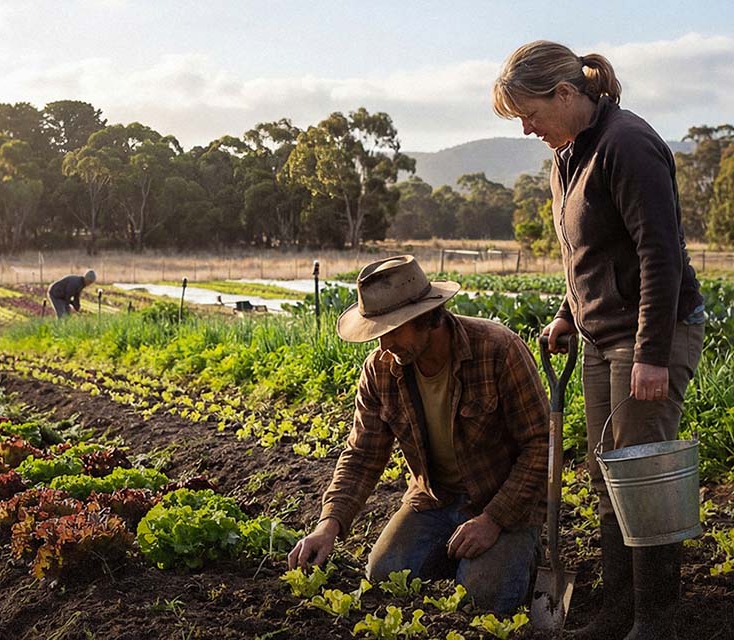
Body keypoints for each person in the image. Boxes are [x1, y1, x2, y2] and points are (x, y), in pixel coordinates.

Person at [493, 41, 705, 640]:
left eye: (530, 113)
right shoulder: (567, 155)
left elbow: (659, 254)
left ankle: (656, 620)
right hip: (599, 334)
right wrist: (567, 311)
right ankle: (616, 613)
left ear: (566, 93)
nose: (527, 128)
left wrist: (651, 355)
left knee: (639, 472)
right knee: (606, 471)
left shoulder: (626, 144)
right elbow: (585, 251)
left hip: (649, 333)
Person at [287, 255, 549, 615]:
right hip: (434, 500)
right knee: (383, 577)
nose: (383, 346)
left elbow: (540, 445)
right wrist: (328, 524)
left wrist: (493, 521)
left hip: (500, 502)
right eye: (377, 334)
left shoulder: (497, 349)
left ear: (427, 318)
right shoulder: (380, 369)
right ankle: (462, 557)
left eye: (392, 331)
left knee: (482, 602)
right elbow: (362, 454)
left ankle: (516, 551)